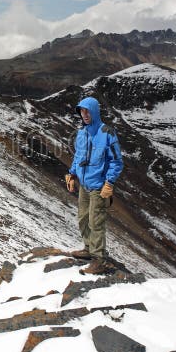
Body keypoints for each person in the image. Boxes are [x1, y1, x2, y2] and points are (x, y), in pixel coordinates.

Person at [65, 96, 123, 273]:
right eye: (82, 111)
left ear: (95, 112)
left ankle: (99, 259)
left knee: (95, 222)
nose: (85, 114)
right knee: (83, 218)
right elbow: (78, 156)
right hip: (84, 184)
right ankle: (88, 249)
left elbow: (116, 161)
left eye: (87, 111)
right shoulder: (81, 133)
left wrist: (110, 182)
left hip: (99, 187)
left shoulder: (107, 133)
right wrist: (72, 173)